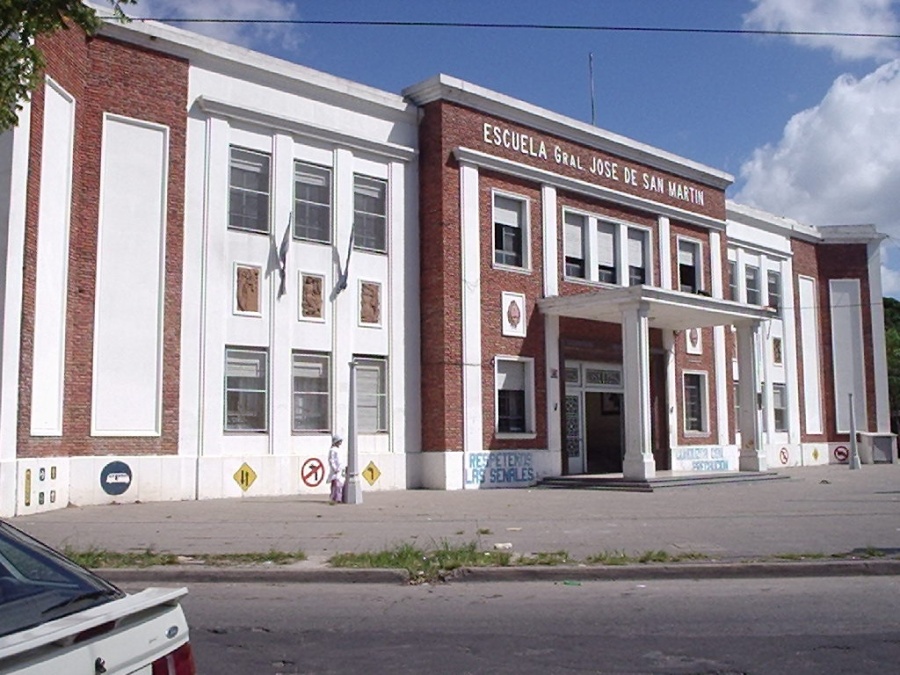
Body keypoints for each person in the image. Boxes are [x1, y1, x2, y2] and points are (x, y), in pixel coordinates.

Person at [327, 435, 344, 503]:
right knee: (336, 484)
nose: (340, 443)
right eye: (339, 441)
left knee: (339, 484)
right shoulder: (333, 450)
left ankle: (338, 497)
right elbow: (332, 460)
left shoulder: (338, 450)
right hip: (335, 470)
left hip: (339, 469)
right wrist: (334, 468)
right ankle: (334, 497)